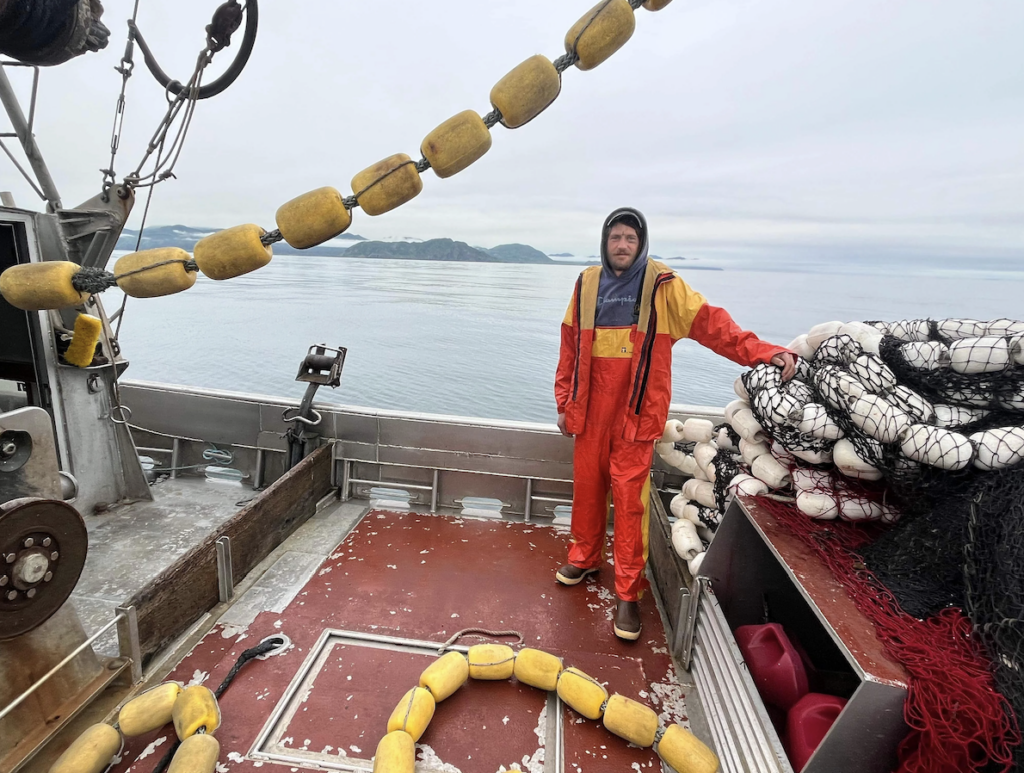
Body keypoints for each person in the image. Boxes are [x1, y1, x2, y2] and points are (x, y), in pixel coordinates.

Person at [553, 207, 796, 641]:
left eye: (630, 238)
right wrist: (564, 403)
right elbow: (569, 348)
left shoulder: (664, 285)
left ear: (641, 244)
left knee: (630, 505)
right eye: (615, 238)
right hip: (589, 415)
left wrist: (763, 351)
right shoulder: (586, 284)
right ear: (604, 243)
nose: (622, 245)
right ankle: (585, 556)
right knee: (587, 491)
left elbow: (714, 327)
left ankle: (627, 594)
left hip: (635, 417)